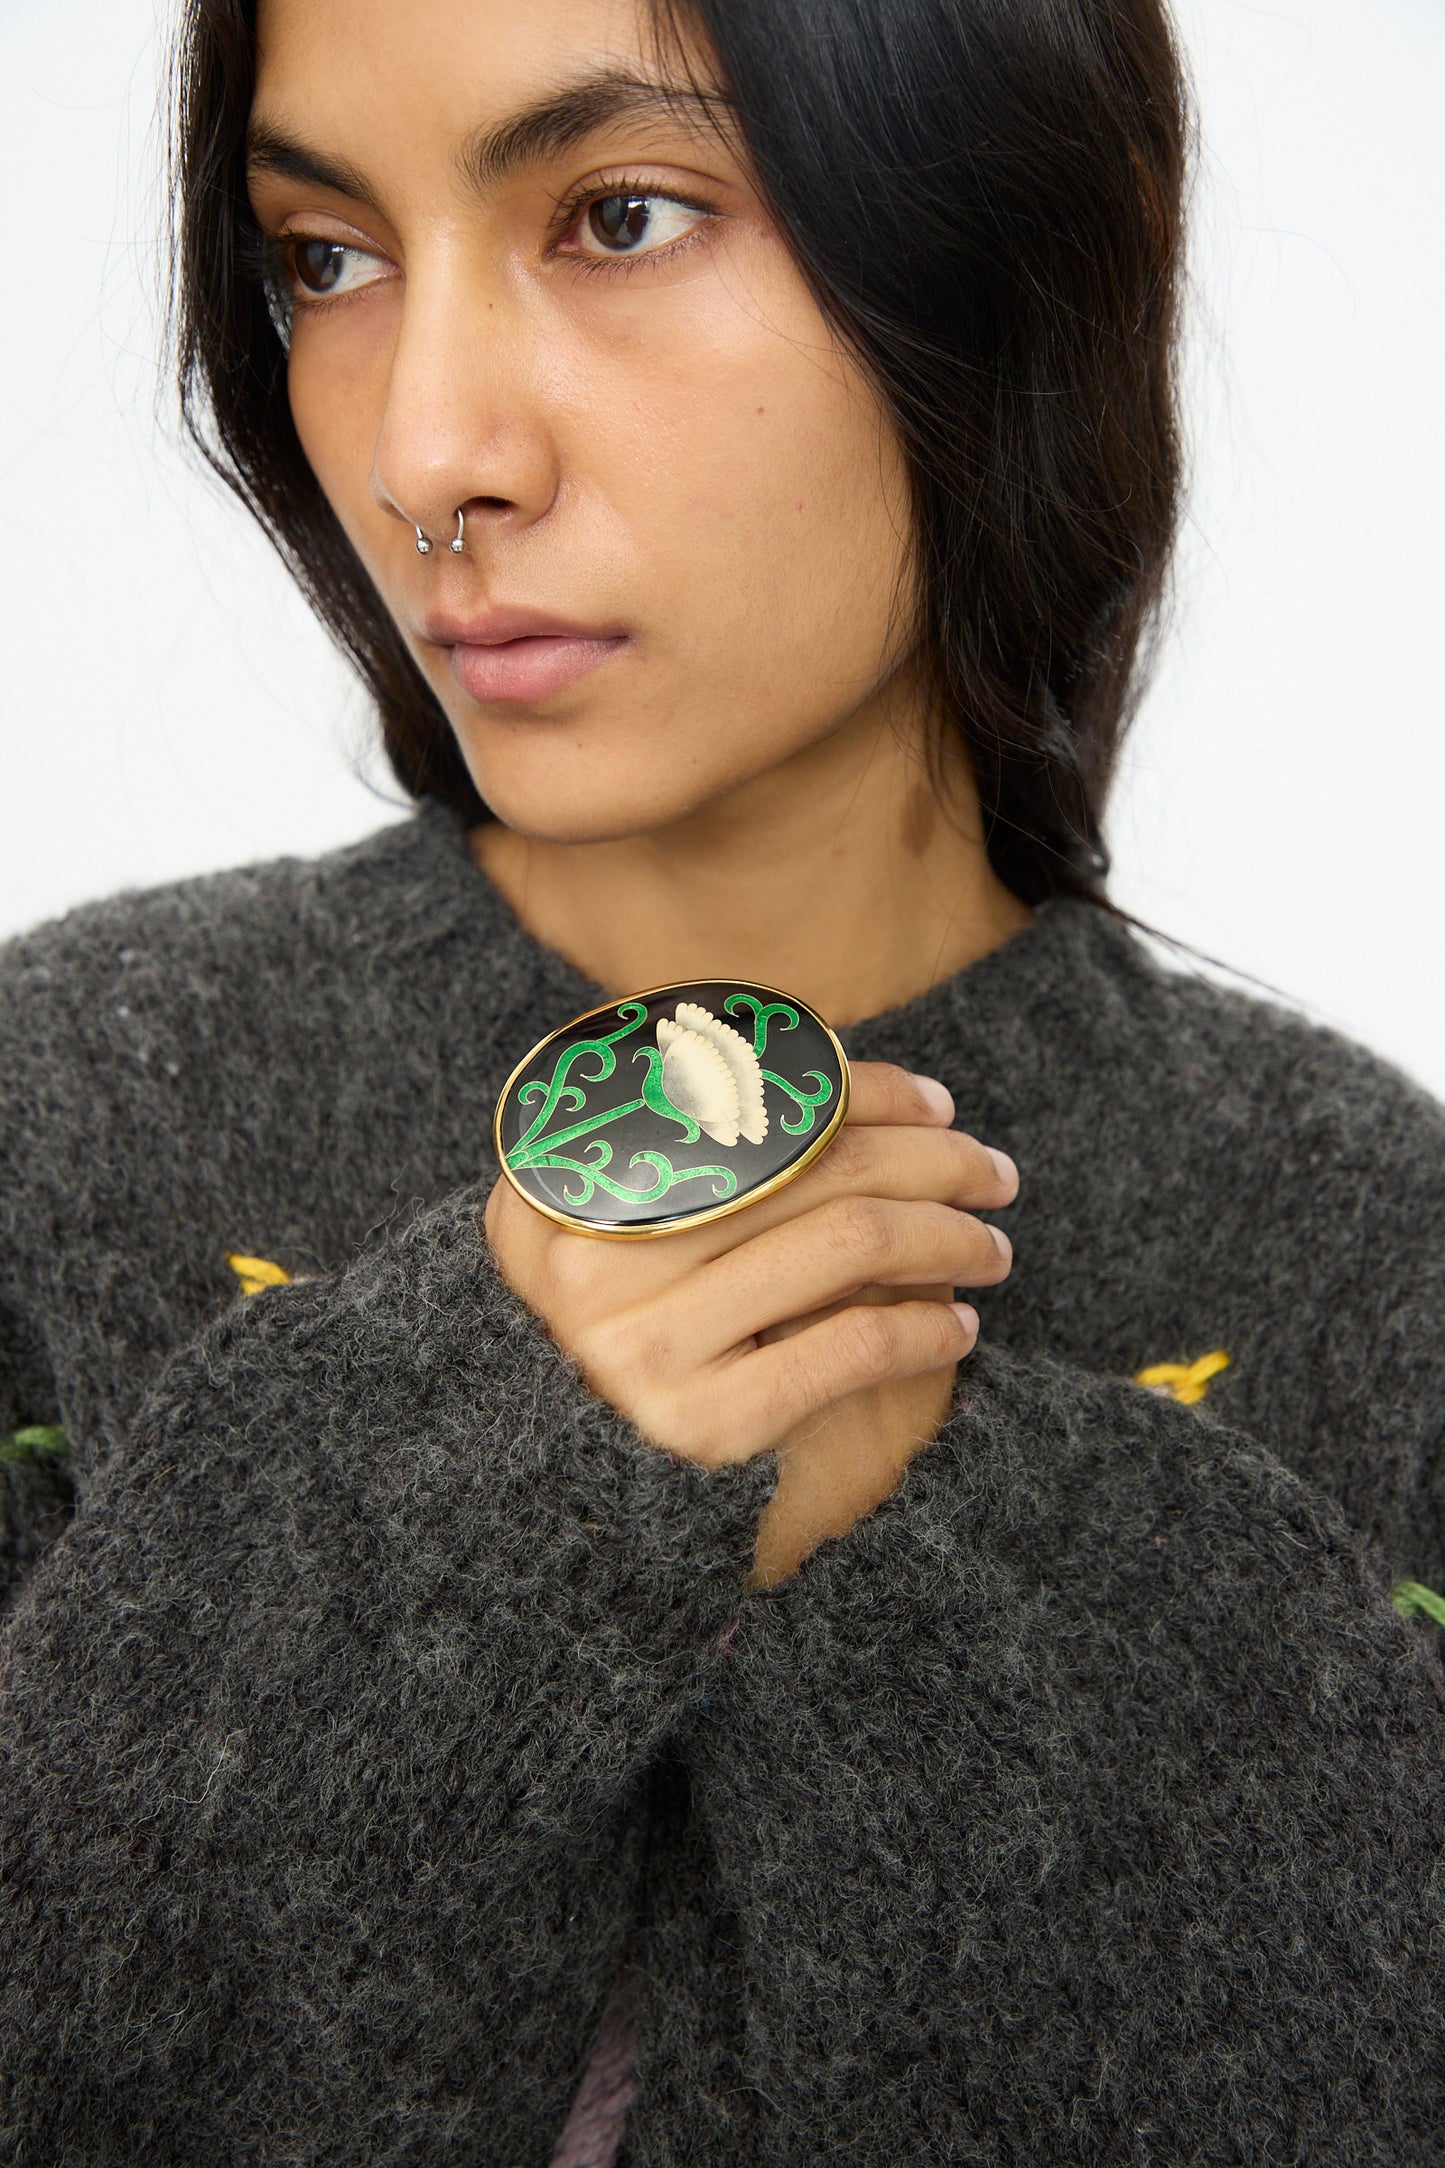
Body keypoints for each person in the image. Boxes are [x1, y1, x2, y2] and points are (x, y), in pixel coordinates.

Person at [1, 0, 1442, 2160]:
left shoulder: (1382, 1254)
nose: (427, 453)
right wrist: (479, 1475)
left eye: (624, 214)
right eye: (325, 255)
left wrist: (948, 1543)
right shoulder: (59, 1118)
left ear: (1024, 245)